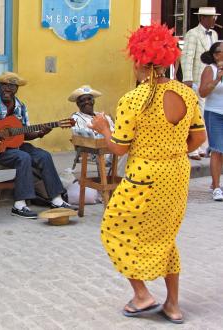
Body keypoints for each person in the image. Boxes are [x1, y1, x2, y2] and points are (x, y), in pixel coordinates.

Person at [89, 24, 206, 324]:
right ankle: (173, 306)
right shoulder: (186, 93)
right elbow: (198, 138)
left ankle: (142, 295)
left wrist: (103, 128)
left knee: (114, 228)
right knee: (165, 237)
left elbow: (119, 149)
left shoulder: (134, 99)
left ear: (139, 61)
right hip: (178, 172)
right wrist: (174, 150)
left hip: (145, 174)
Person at [0, 72, 77, 219]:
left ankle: (56, 200)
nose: (7, 89)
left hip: (15, 145)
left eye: (11, 86)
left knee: (44, 155)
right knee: (23, 157)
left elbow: (24, 133)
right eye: (4, 85)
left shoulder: (21, 107)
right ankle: (19, 205)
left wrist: (40, 133)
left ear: (16, 89)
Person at [181, 6, 220, 160]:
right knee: (196, 114)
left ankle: (204, 147)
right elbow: (187, 57)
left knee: (207, 113)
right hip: (197, 79)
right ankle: (193, 148)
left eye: (215, 17)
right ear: (202, 18)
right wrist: (187, 78)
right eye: (211, 18)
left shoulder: (215, 34)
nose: (214, 20)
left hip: (211, 78)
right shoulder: (192, 34)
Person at [198, 42, 223, 201]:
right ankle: (216, 187)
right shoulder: (210, 70)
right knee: (217, 150)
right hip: (214, 113)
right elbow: (202, 92)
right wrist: (216, 80)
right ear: (216, 55)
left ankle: (214, 181)